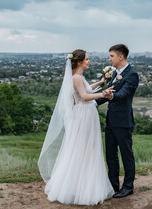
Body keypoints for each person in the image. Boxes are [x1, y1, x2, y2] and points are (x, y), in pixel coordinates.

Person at [38, 49, 115, 205]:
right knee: (83, 149)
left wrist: (101, 83)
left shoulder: (79, 77)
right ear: (79, 62)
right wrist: (103, 94)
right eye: (87, 59)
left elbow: (85, 90)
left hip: (85, 113)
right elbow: (85, 97)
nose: (89, 61)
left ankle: (82, 184)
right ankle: (80, 187)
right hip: (83, 114)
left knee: (86, 148)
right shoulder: (76, 78)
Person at [96, 44, 139, 198]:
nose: (109, 59)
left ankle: (128, 187)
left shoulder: (132, 75)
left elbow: (123, 95)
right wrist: (91, 103)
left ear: (121, 57)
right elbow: (109, 92)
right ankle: (113, 185)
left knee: (126, 155)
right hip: (111, 122)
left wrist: (110, 96)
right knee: (111, 155)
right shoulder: (115, 74)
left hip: (123, 122)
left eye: (112, 56)